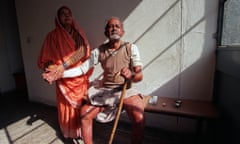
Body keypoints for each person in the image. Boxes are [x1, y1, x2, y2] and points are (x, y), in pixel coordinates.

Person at [43, 16, 145, 144]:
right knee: (85, 114)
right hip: (107, 91)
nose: (113, 28)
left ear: (122, 32)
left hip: (127, 90)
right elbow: (82, 69)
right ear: (105, 33)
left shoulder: (131, 48)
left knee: (139, 117)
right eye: (110, 26)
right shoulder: (98, 51)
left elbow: (139, 76)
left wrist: (131, 75)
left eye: (117, 26)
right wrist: (58, 75)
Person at [37, 6, 92, 142]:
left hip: (78, 76)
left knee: (81, 105)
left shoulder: (78, 33)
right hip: (62, 80)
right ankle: (68, 132)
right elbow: (45, 59)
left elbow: (82, 52)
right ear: (57, 18)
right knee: (65, 107)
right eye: (63, 14)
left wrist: (62, 67)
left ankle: (81, 131)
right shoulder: (52, 36)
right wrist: (52, 70)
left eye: (69, 13)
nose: (66, 16)